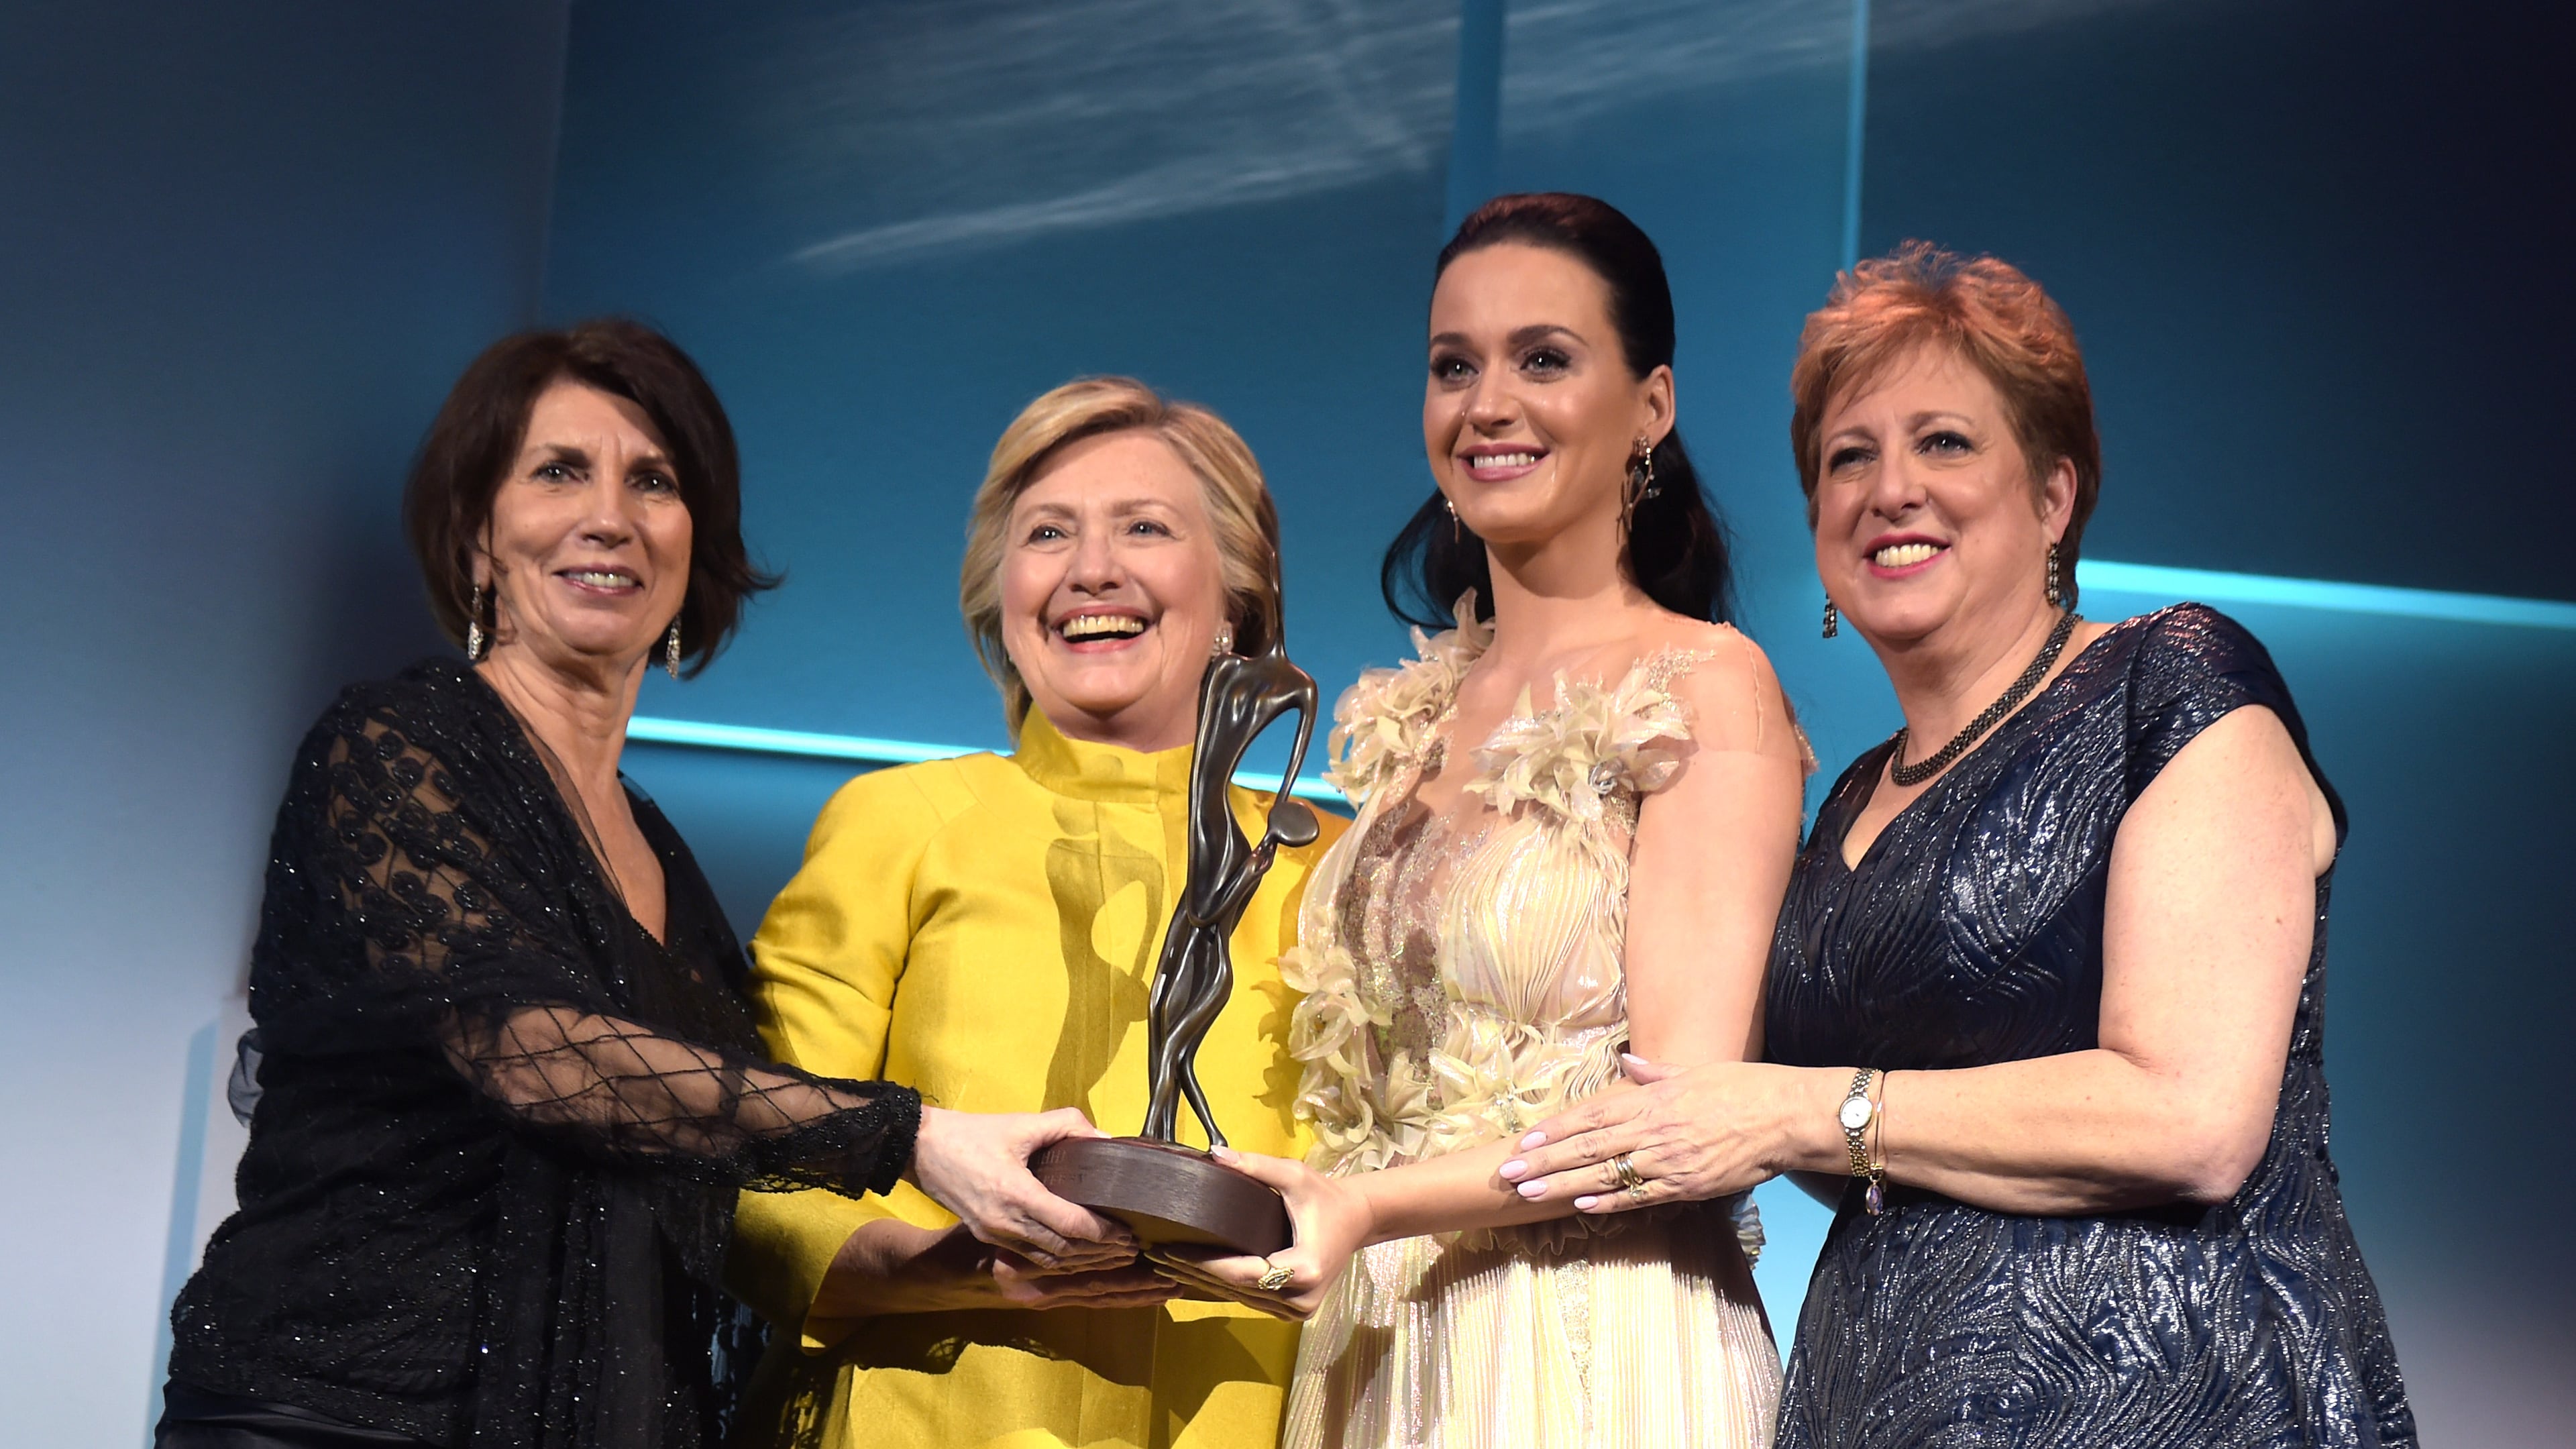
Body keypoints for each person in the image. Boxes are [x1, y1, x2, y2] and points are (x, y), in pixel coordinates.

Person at [1501, 244, 2416, 1446]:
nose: (1891, 490)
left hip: (2166, 1397)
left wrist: (1799, 1111)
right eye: (1849, 458)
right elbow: (1817, 1140)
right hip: (1869, 1402)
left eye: (1944, 443)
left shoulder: (2171, 684)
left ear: (2052, 496)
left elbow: (2190, 1117)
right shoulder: (1844, 808)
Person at [157, 321, 1106, 1449]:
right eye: (560, 471)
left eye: (652, 481)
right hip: (328, 1417)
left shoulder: (670, 864)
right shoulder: (394, 745)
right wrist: (913, 1137)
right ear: (476, 536)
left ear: (692, 550)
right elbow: (535, 1054)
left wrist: (971, 1267)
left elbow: (711, 1177)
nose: (609, 514)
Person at [1163, 195, 1802, 1448]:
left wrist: (1366, 1208)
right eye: (1455, 366)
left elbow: (1673, 1126)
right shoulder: (1408, 710)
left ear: (1652, 407)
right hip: (1378, 1336)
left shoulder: (1704, 686)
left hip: (1590, 1341)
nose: (1486, 404)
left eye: (1544, 359)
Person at [721, 377, 1348, 1449]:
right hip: (933, 1413)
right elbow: (760, 1174)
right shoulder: (900, 820)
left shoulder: (1334, 865)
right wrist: (964, 1274)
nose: (1090, 569)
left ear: (1237, 596)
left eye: (1144, 528)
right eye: (1048, 533)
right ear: (1000, 597)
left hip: (1239, 1414)